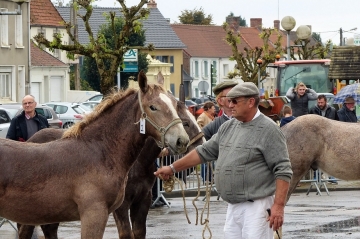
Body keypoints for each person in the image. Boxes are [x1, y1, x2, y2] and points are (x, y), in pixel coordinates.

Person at [155, 82, 293, 239]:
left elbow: (283, 169)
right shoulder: (228, 127)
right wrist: (172, 168)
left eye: (235, 101)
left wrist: (279, 206)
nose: (230, 104)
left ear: (251, 102)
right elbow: (204, 152)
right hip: (233, 207)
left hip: (257, 208)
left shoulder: (269, 130)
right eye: (229, 100)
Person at [201, 81, 238, 184]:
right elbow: (197, 138)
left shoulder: (248, 119)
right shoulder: (216, 124)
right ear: (221, 101)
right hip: (227, 179)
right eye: (231, 95)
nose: (236, 98)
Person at [309, 94, 339, 184]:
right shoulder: (312, 110)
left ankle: (331, 176)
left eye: (322, 102)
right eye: (319, 102)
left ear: (326, 102)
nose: (320, 104)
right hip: (317, 137)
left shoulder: (333, 110)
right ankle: (316, 176)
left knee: (331, 157)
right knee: (316, 157)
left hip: (330, 137)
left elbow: (337, 122)